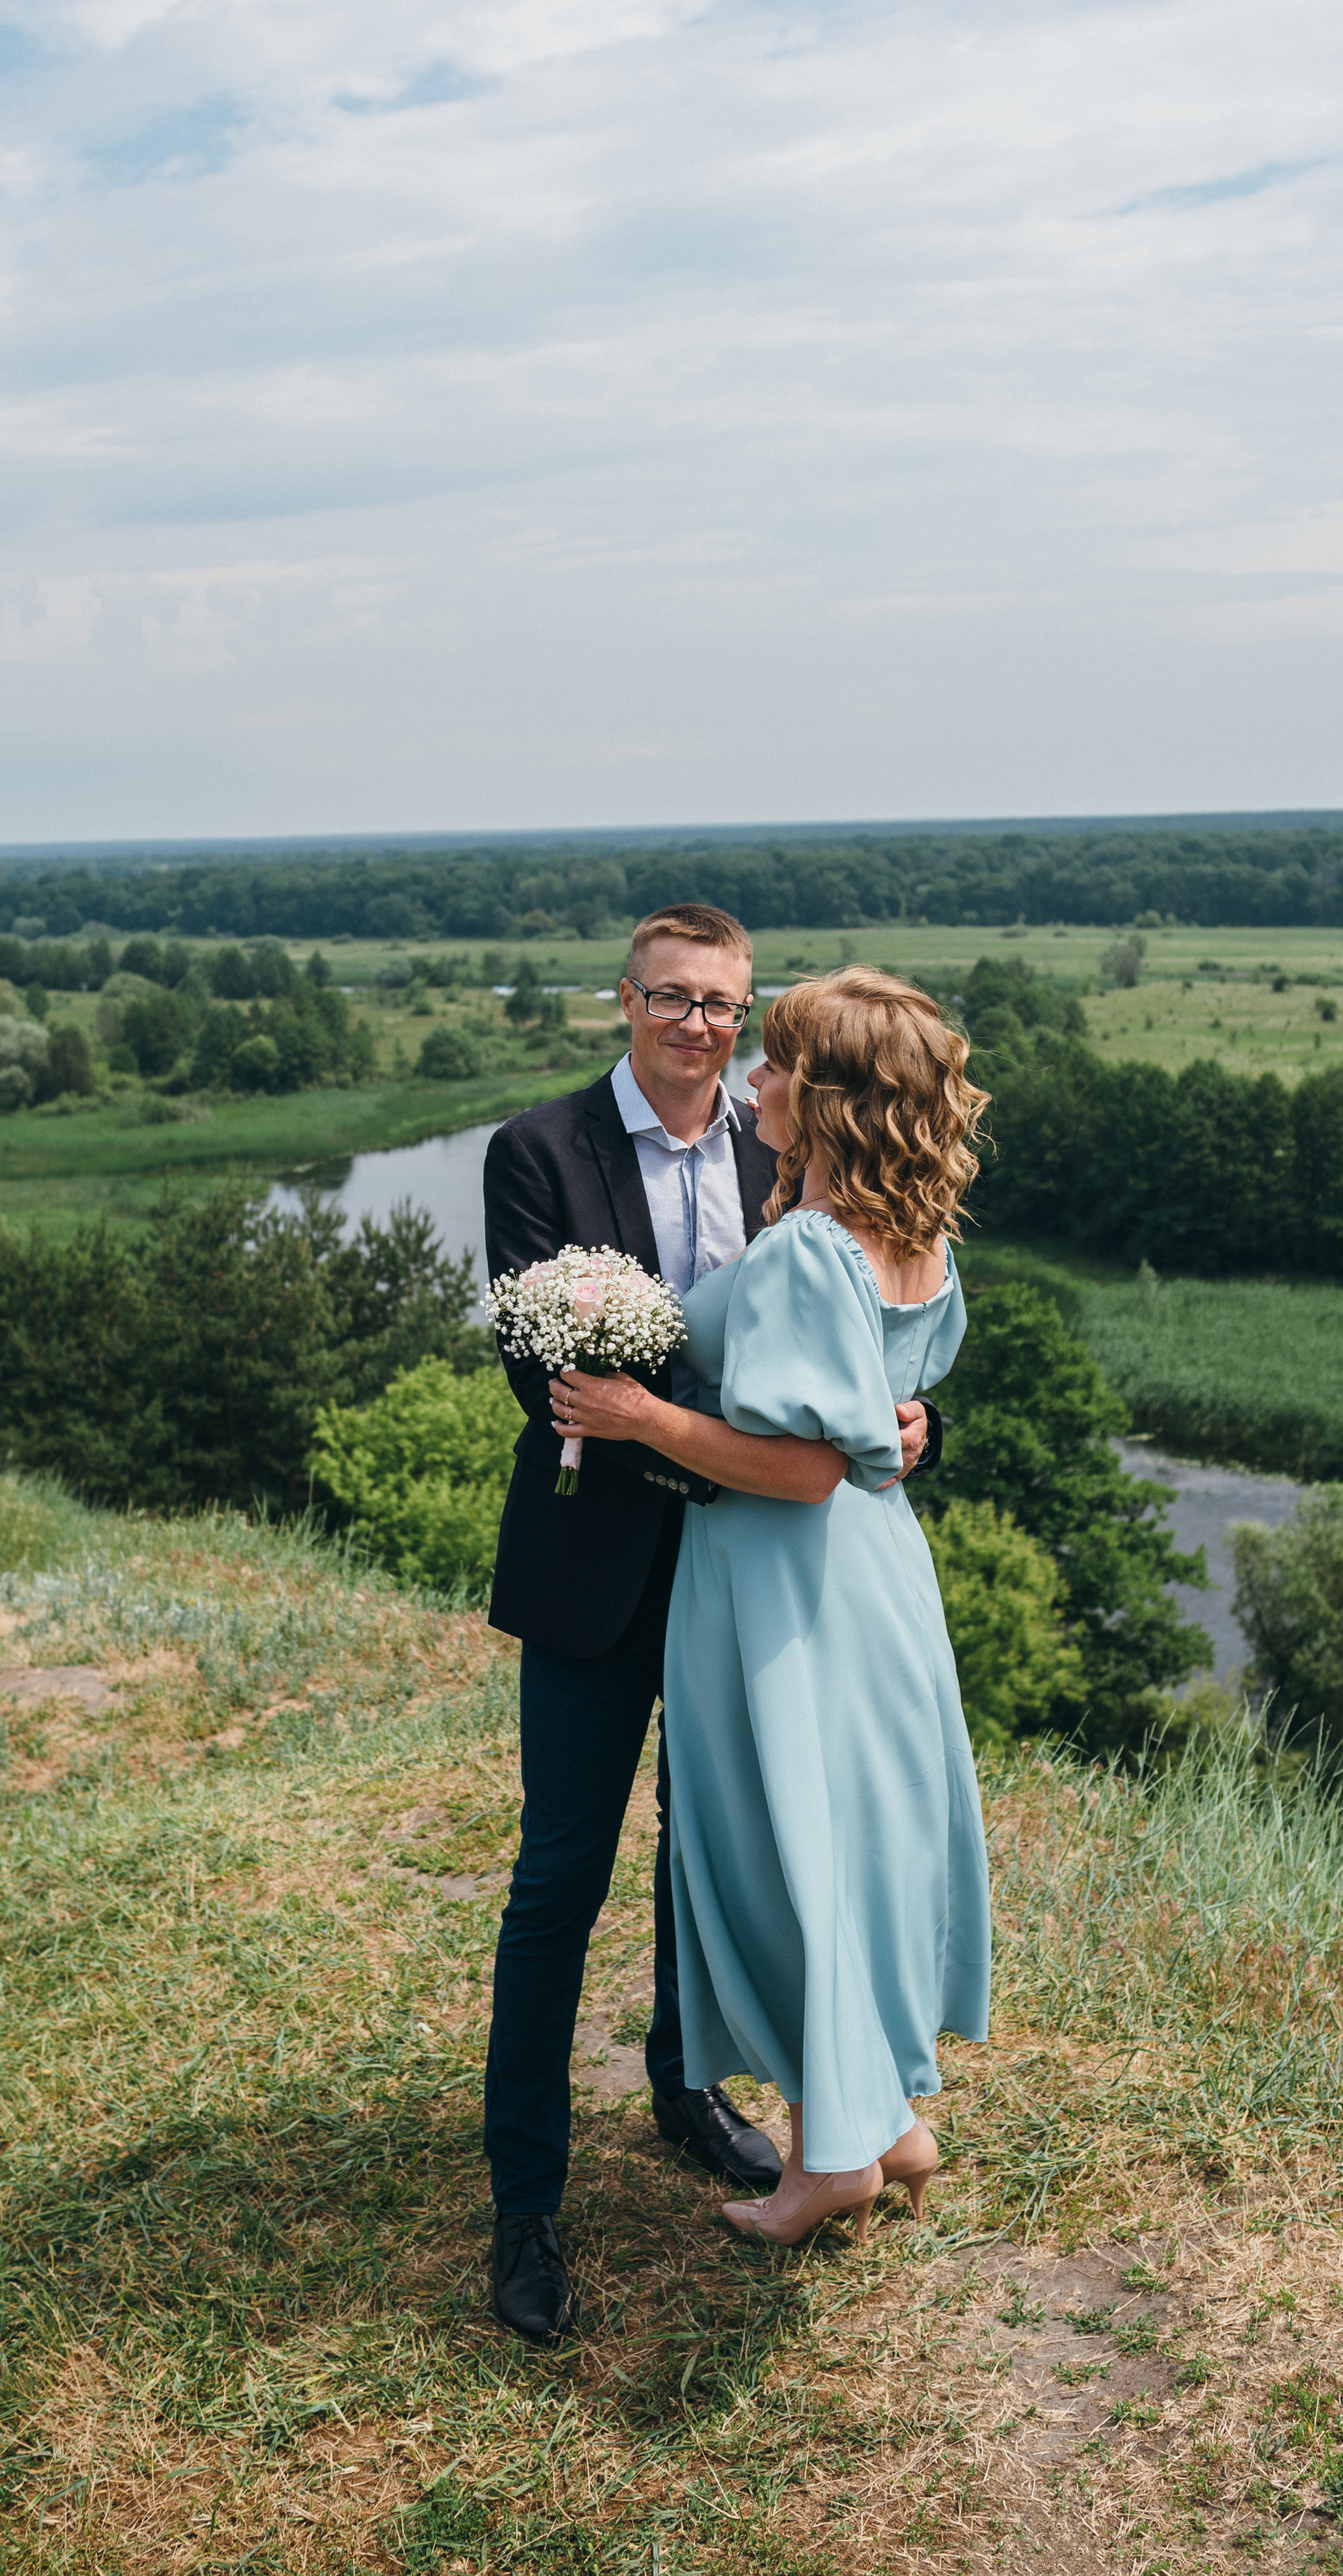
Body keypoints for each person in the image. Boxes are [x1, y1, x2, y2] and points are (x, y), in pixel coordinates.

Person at [480, 908, 937, 2345]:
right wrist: (727, 1451)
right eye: (672, 997)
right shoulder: (539, 1153)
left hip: (764, 1592)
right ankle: (526, 2200)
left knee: (724, 1858)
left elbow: (854, 1347)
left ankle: (690, 2092)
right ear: (624, 1000)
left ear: (750, 1019)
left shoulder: (781, 1158)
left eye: (725, 1005)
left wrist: (905, 1429)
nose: (699, 1025)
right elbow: (543, 1379)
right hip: (605, 1571)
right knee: (562, 1878)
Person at [549, 967, 990, 2247]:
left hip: (787, 1593)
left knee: (784, 1859)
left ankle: (829, 2162)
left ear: (838, 1096)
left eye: (781, 1065)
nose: (755, 1081)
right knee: (849, 1854)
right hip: (881, 1581)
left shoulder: (805, 1248)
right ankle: (887, 2122)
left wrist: (638, 1413)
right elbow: (879, 1418)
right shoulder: (912, 1234)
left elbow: (801, 1467)